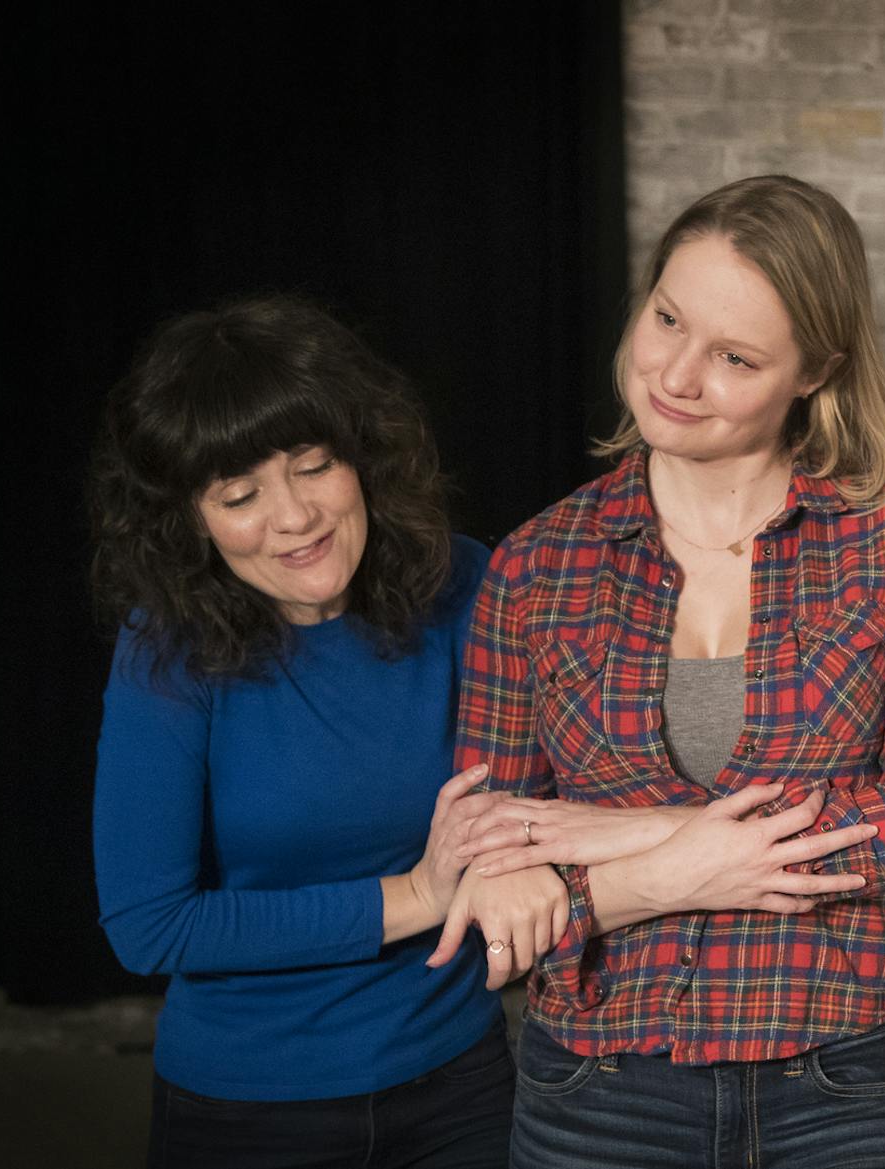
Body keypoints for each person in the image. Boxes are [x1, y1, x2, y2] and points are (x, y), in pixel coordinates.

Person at [435, 174, 885, 1168]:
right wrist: (668, 865)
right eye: (667, 319)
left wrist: (641, 838)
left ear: (814, 370)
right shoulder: (535, 564)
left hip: (837, 1078)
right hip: (597, 1084)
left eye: (734, 356)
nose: (676, 374)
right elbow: (495, 850)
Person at [89, 295, 537, 1167]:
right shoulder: (168, 650)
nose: (294, 516)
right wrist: (413, 895)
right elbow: (150, 925)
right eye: (239, 493)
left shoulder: (465, 585)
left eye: (313, 464)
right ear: (192, 517)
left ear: (360, 459)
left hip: (459, 1084)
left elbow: (545, 793)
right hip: (244, 1109)